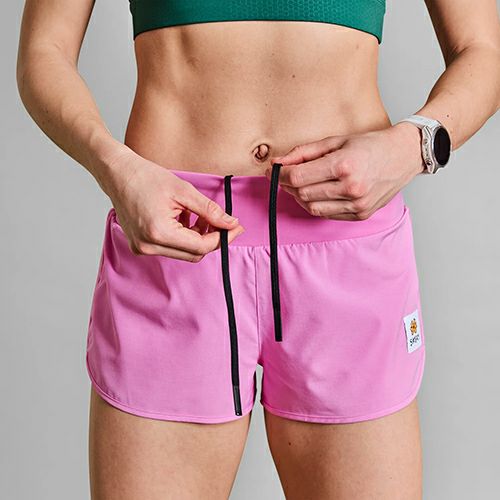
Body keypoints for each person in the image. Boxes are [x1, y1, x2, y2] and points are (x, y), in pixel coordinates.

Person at [16, 0, 500, 498]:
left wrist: (413, 146)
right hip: (176, 236)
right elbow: (44, 50)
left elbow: (483, 51)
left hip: (343, 240)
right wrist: (117, 170)